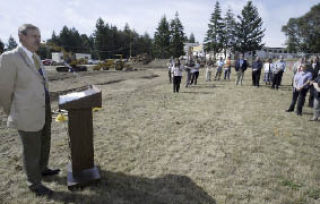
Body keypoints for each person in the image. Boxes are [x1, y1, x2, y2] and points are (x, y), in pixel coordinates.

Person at [0, 24, 60, 197]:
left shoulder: (36, 57)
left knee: (44, 140)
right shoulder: (9, 57)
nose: (38, 39)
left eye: (39, 36)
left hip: (43, 106)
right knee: (31, 148)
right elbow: (4, 89)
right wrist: (11, 112)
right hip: (25, 111)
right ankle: (34, 183)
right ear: (22, 36)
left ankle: (42, 168)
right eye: (34, 35)